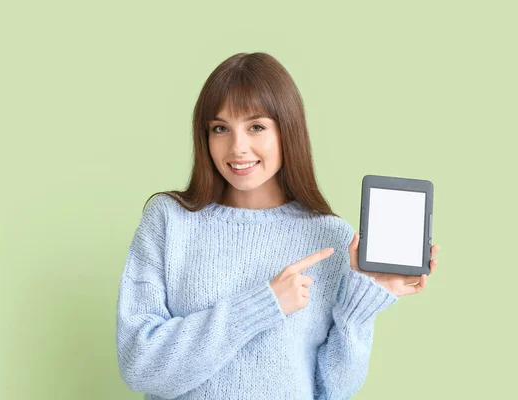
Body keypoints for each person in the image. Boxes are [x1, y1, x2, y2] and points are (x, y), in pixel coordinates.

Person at [115, 52, 440, 399]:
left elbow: (332, 390)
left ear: (287, 130)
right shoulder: (169, 220)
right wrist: (264, 304)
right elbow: (140, 364)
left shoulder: (330, 238)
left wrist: (363, 303)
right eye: (220, 128)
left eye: (256, 126)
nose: (238, 147)